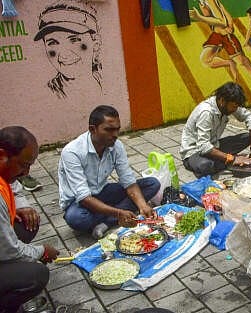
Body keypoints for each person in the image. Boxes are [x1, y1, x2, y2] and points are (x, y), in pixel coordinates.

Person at [58, 105, 160, 239]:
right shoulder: (72, 152)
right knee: (77, 219)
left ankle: (105, 223)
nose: (115, 135)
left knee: (152, 184)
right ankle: (115, 215)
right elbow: (84, 198)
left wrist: (143, 206)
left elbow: (128, 181)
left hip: (102, 191)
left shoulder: (116, 146)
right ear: (92, 129)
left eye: (117, 129)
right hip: (78, 203)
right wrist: (119, 212)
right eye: (109, 130)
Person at [0, 126, 59, 313]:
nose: (26, 173)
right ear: (2, 155)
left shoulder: (5, 173)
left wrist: (22, 206)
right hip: (5, 250)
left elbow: (15, 188)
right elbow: (9, 250)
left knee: (28, 224)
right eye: (24, 165)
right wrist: (42, 251)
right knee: (37, 275)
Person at [180, 82, 251, 178]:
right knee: (205, 165)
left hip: (214, 146)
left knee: (249, 137)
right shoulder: (206, 112)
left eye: (236, 107)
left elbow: (249, 117)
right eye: (234, 106)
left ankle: (223, 161)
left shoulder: (227, 104)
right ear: (222, 100)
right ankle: (224, 162)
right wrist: (232, 159)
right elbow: (203, 146)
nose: (235, 109)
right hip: (194, 152)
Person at [189, 0, 251, 102]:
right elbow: (221, 11)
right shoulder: (202, 2)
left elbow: (222, 21)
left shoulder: (210, 1)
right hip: (217, 35)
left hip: (225, 35)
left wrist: (199, 17)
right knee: (205, 60)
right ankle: (229, 62)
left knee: (241, 61)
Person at [34, 0, 102, 99]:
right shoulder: (46, 95)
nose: (64, 54)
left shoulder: (108, 81)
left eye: (74, 40)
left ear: (95, 43)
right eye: (52, 43)